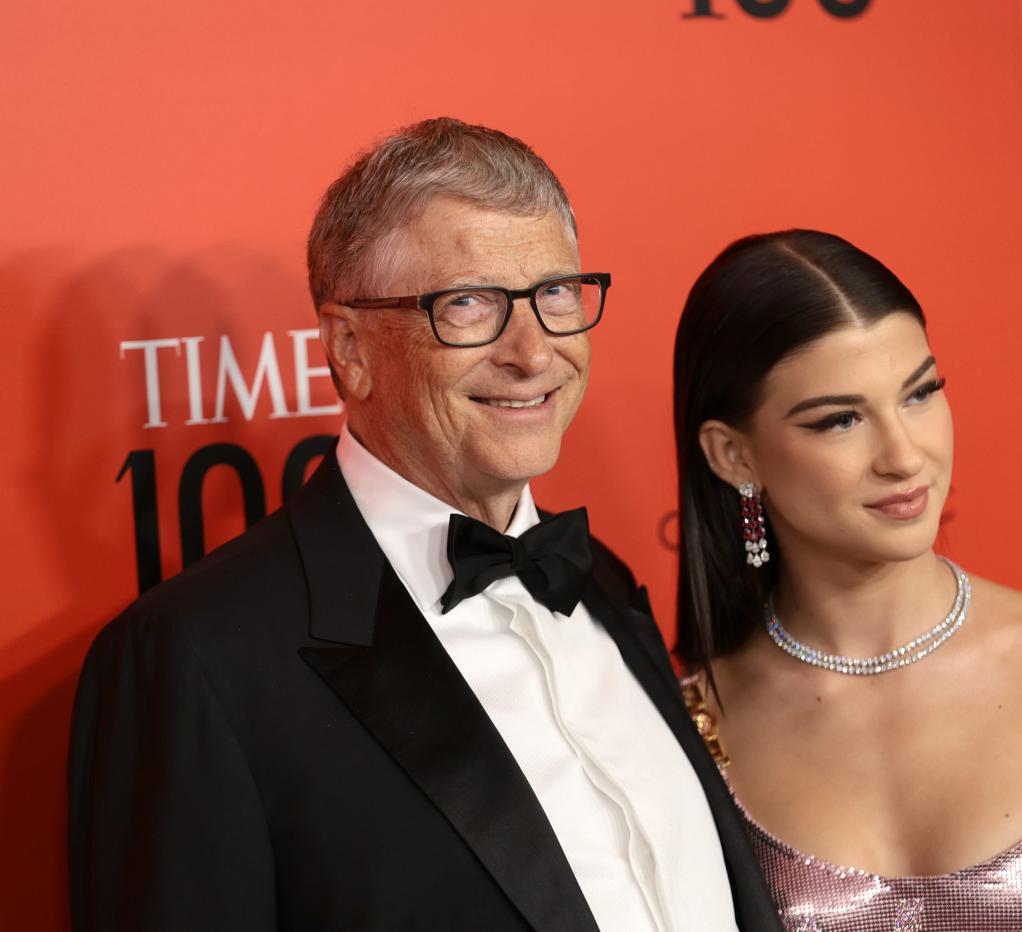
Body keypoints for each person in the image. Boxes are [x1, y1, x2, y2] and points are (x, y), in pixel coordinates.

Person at [68, 118, 782, 932]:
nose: (534, 351)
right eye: (470, 304)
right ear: (350, 348)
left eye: (554, 293)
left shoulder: (605, 583)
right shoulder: (198, 661)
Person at [672, 230, 1022, 930]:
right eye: (840, 420)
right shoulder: (692, 728)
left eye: (921, 393)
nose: (904, 455)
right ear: (732, 455)